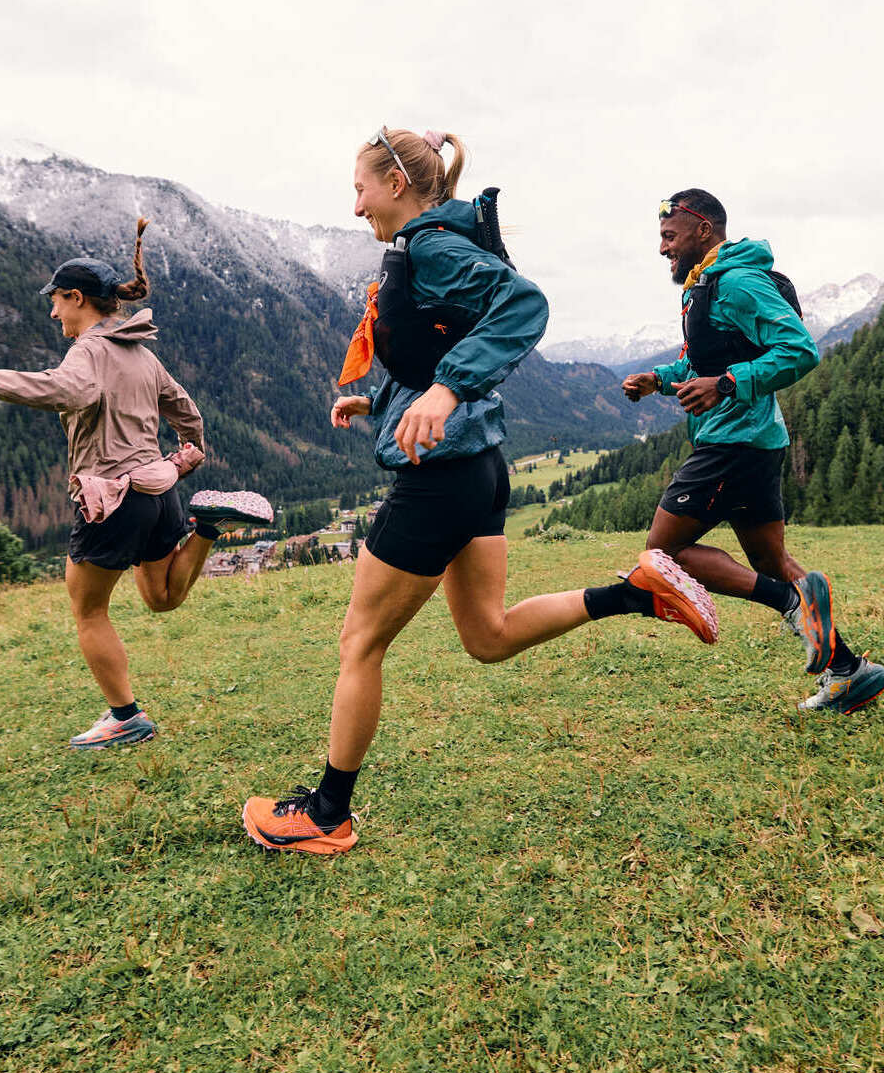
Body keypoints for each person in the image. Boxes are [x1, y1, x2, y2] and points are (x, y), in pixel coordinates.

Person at [241, 129, 718, 856]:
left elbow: (522, 306)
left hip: (439, 478)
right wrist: (385, 402)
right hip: (477, 467)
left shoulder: (430, 246)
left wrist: (443, 389)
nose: (356, 206)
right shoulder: (430, 246)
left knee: (360, 642)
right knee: (487, 636)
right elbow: (439, 346)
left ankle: (327, 815)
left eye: (360, 188)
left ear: (396, 185)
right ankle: (634, 592)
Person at [0, 218, 272, 749]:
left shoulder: (90, 351)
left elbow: (60, 391)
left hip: (112, 498)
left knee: (89, 610)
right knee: (162, 598)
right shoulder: (142, 353)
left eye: (56, 301)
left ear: (77, 298)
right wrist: (187, 456)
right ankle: (208, 526)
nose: (53, 313)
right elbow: (186, 410)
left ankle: (125, 718)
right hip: (160, 492)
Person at [621, 189, 884, 715]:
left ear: (703, 229)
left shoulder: (738, 282)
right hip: (756, 443)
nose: (662, 248)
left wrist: (726, 385)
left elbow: (799, 351)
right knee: (770, 560)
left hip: (733, 444)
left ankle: (791, 602)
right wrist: (660, 379)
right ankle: (849, 671)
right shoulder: (706, 285)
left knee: (663, 554)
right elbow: (707, 361)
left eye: (669, 236)